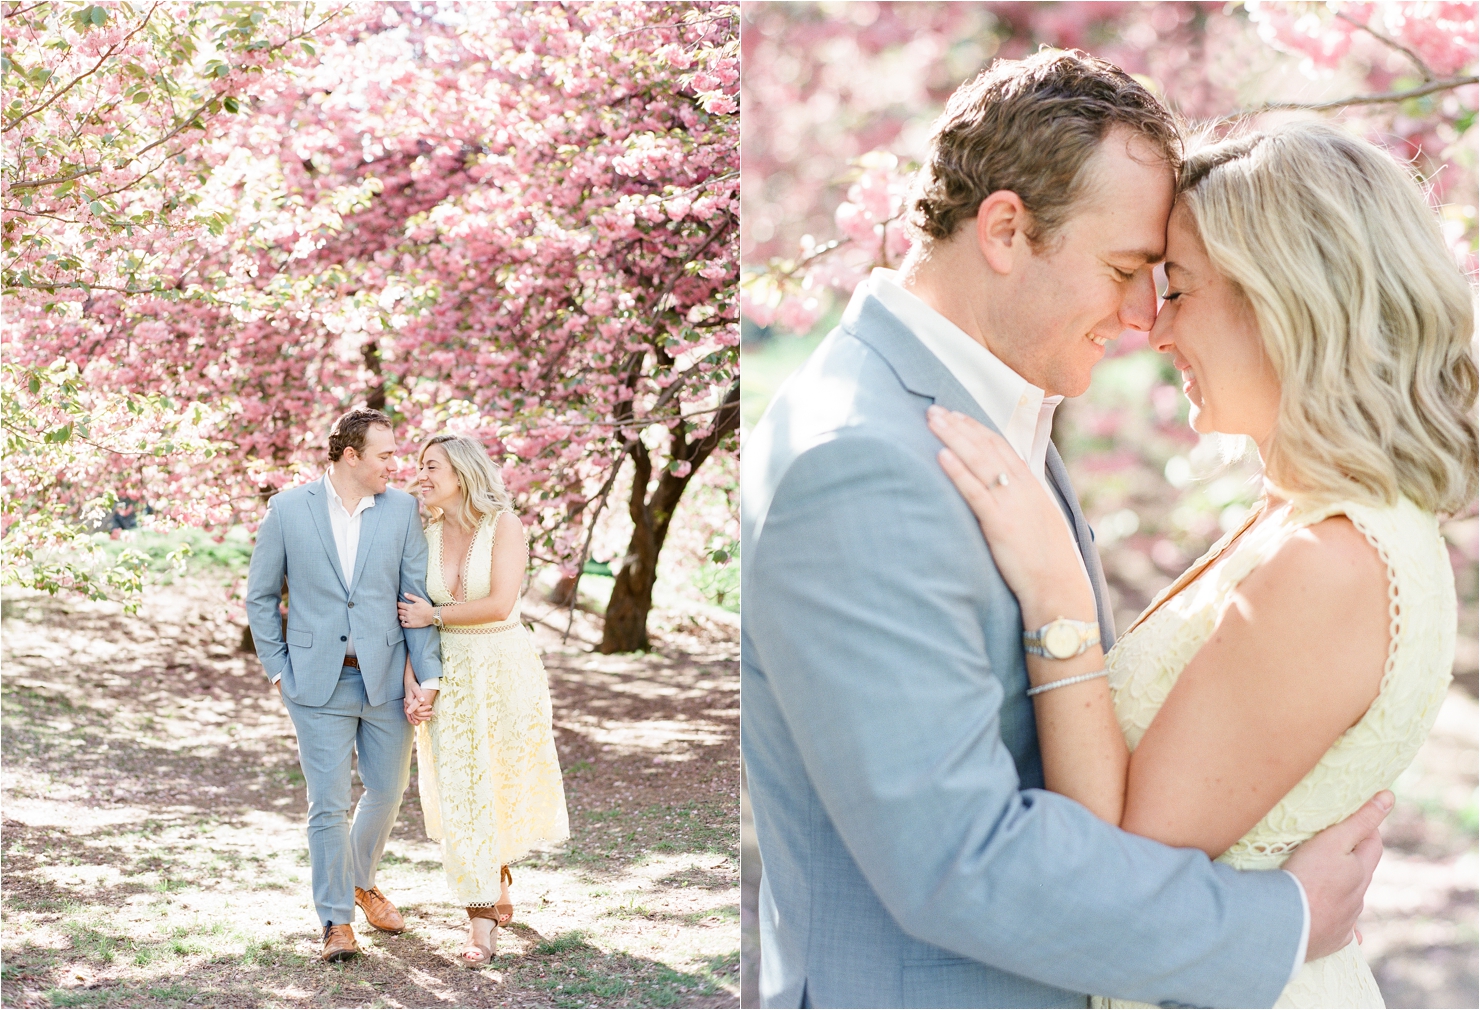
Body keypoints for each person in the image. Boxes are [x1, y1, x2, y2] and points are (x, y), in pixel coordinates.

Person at [741, 51, 1394, 1009]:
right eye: (1127, 270)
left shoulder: (984, 404)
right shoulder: (859, 461)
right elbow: (957, 860)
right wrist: (1279, 920)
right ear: (1006, 229)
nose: (1144, 317)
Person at [930, 121, 1475, 1009]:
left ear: (1286, 299)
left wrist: (1057, 593)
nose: (1154, 326)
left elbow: (1118, 877)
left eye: (1178, 289)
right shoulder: (1304, 521)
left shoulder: (1332, 562)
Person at [246, 407, 443, 961]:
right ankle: (336, 921)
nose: (395, 465)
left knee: (387, 791)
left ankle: (360, 878)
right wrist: (279, 667)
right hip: (314, 684)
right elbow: (261, 597)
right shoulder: (287, 510)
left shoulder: (403, 510)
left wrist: (426, 676)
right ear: (351, 456)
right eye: (385, 455)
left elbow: (414, 601)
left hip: (385, 680)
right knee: (327, 804)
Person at [396, 434, 569, 967]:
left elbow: (499, 603)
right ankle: (480, 923)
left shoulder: (504, 526)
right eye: (419, 466)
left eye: (432, 466)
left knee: (496, 781)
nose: (420, 475)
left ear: (463, 473)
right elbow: (405, 616)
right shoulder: (419, 533)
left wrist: (437, 617)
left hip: (503, 669)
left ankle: (496, 876)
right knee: (461, 791)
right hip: (446, 672)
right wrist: (413, 681)